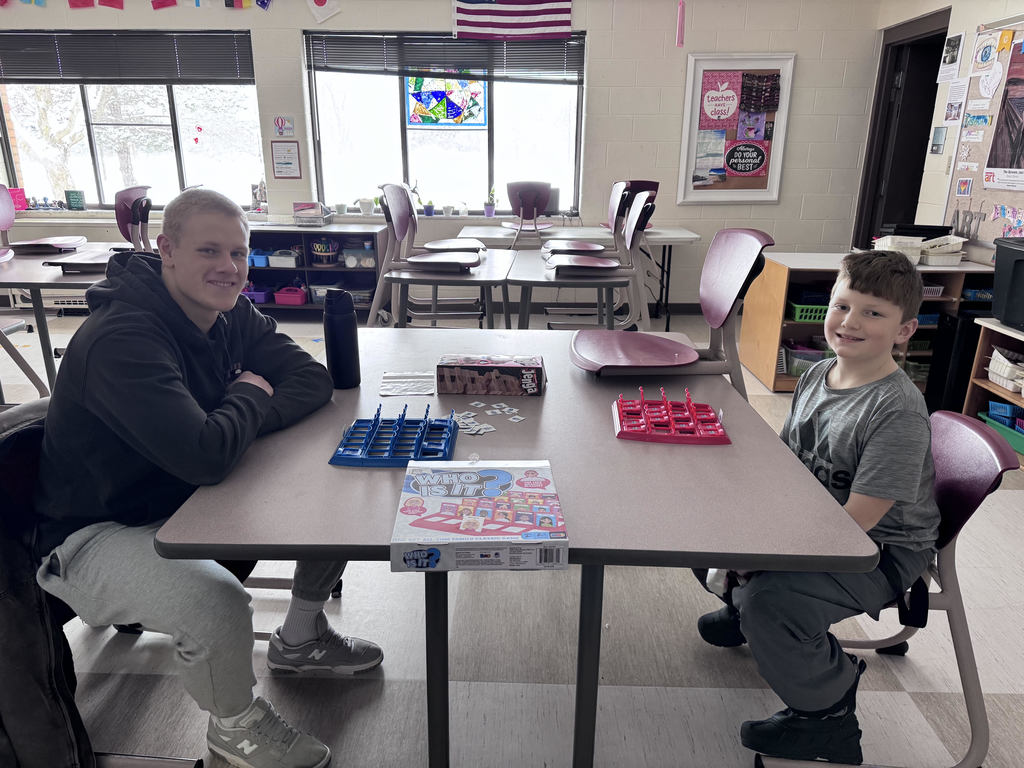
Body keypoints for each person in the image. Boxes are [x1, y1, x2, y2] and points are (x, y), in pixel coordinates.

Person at [32, 188, 382, 768]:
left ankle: (298, 638)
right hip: (97, 532)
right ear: (166, 249)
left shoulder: (229, 311)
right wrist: (244, 394)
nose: (229, 268)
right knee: (217, 600)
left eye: (239, 254)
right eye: (209, 251)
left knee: (335, 487)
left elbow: (309, 380)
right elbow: (204, 456)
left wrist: (230, 421)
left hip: (186, 496)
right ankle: (234, 725)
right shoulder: (124, 340)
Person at [695, 250, 940, 765]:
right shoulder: (817, 374)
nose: (850, 322)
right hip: (821, 520)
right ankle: (751, 614)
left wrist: (767, 556)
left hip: (877, 548)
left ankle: (827, 714)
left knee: (771, 601)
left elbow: (861, 521)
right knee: (698, 532)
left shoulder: (894, 410)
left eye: (873, 313)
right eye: (841, 306)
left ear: (904, 330)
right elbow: (786, 467)